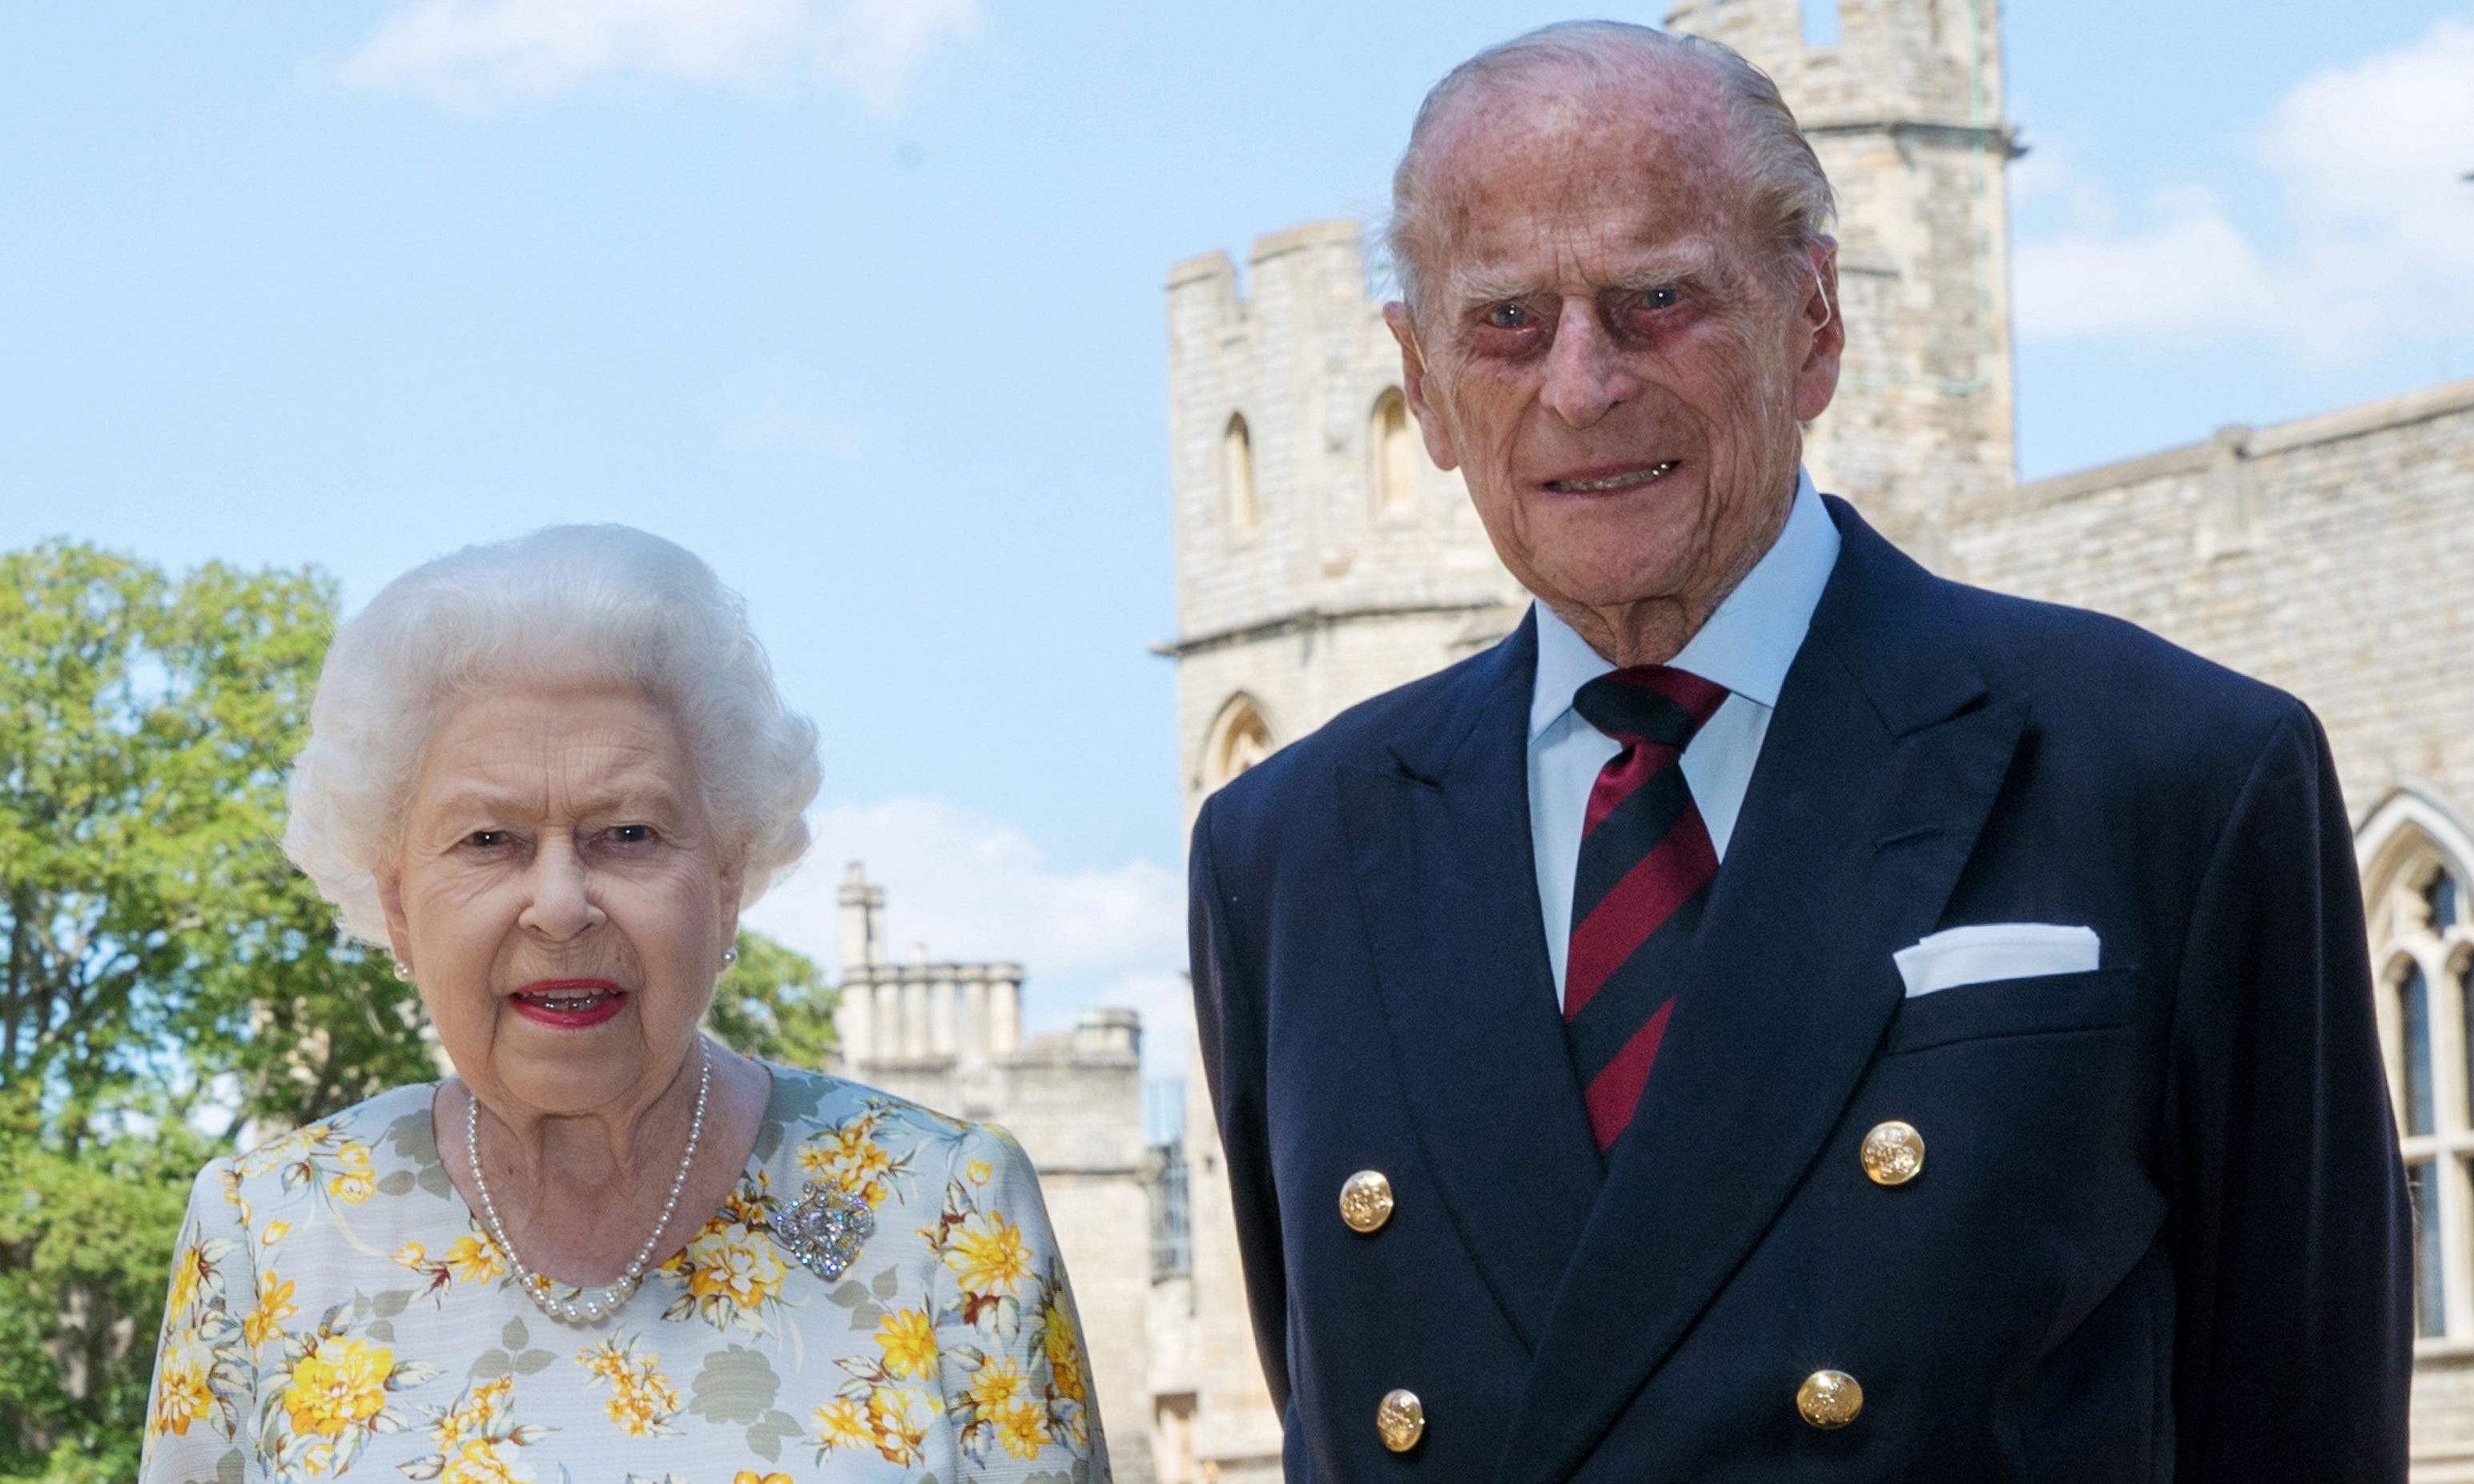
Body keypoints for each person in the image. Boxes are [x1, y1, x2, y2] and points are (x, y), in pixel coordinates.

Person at [1187, 21, 2408, 1483]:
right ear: (1422, 384)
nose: (1580, 384)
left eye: (1654, 297)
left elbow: (2297, 1423)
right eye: (1505, 320)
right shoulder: (1286, 850)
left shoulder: (2176, 776)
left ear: (1812, 321)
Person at [139, 525, 1108, 1482]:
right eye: (488, 839)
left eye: (628, 832)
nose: (560, 905)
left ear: (726, 877)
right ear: (397, 902)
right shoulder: (261, 1233)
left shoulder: (945, 1210)